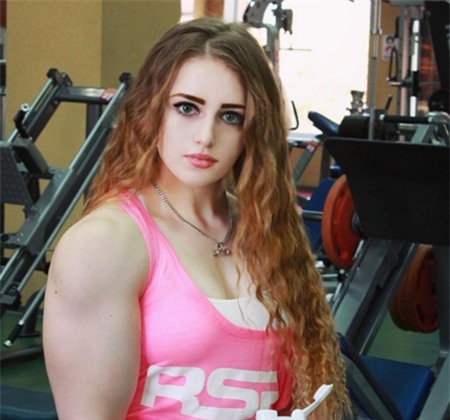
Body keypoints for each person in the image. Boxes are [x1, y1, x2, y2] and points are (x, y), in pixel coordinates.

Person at [43, 17, 351, 419]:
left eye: (230, 116)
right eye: (186, 108)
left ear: (252, 130)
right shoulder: (105, 245)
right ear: (152, 109)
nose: (205, 136)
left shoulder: (268, 232)